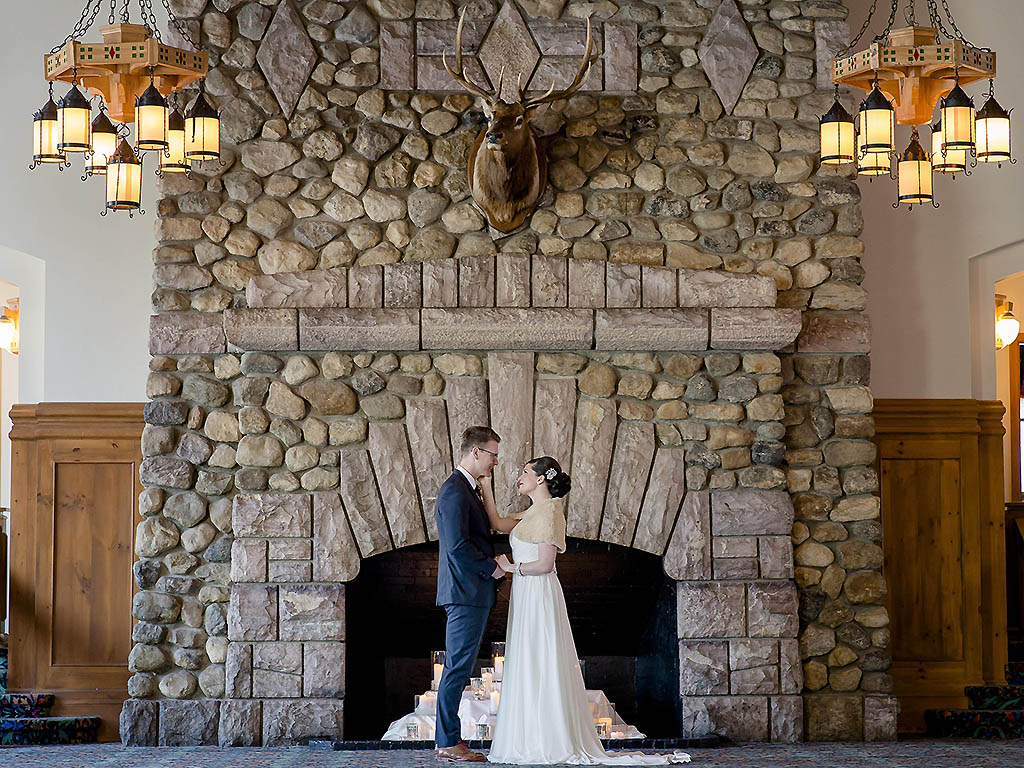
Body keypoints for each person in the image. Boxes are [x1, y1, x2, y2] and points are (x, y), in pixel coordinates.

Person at [483, 456, 689, 766]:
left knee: (542, 658)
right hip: (526, 594)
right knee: (528, 658)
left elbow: (545, 564)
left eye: (525, 472)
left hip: (538, 593)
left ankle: (549, 740)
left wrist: (511, 567)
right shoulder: (531, 512)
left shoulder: (550, 513)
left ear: (541, 479)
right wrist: (485, 486)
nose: (520, 477)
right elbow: (498, 523)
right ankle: (526, 737)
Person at [434, 426, 507, 763]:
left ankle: (449, 740)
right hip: (465, 592)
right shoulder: (454, 492)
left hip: (471, 592)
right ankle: (448, 742)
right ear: (475, 452)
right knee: (458, 669)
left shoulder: (469, 489)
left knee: (459, 667)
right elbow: (458, 547)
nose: (496, 461)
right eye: (493, 454)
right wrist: (492, 567)